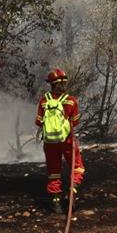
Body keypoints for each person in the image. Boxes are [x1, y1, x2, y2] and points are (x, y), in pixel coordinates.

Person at [35, 67, 85, 212]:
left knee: (54, 171)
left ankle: (56, 202)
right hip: (67, 141)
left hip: (50, 142)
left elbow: (38, 122)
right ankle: (72, 190)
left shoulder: (44, 101)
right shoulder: (70, 101)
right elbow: (75, 122)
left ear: (51, 84)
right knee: (77, 167)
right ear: (64, 83)